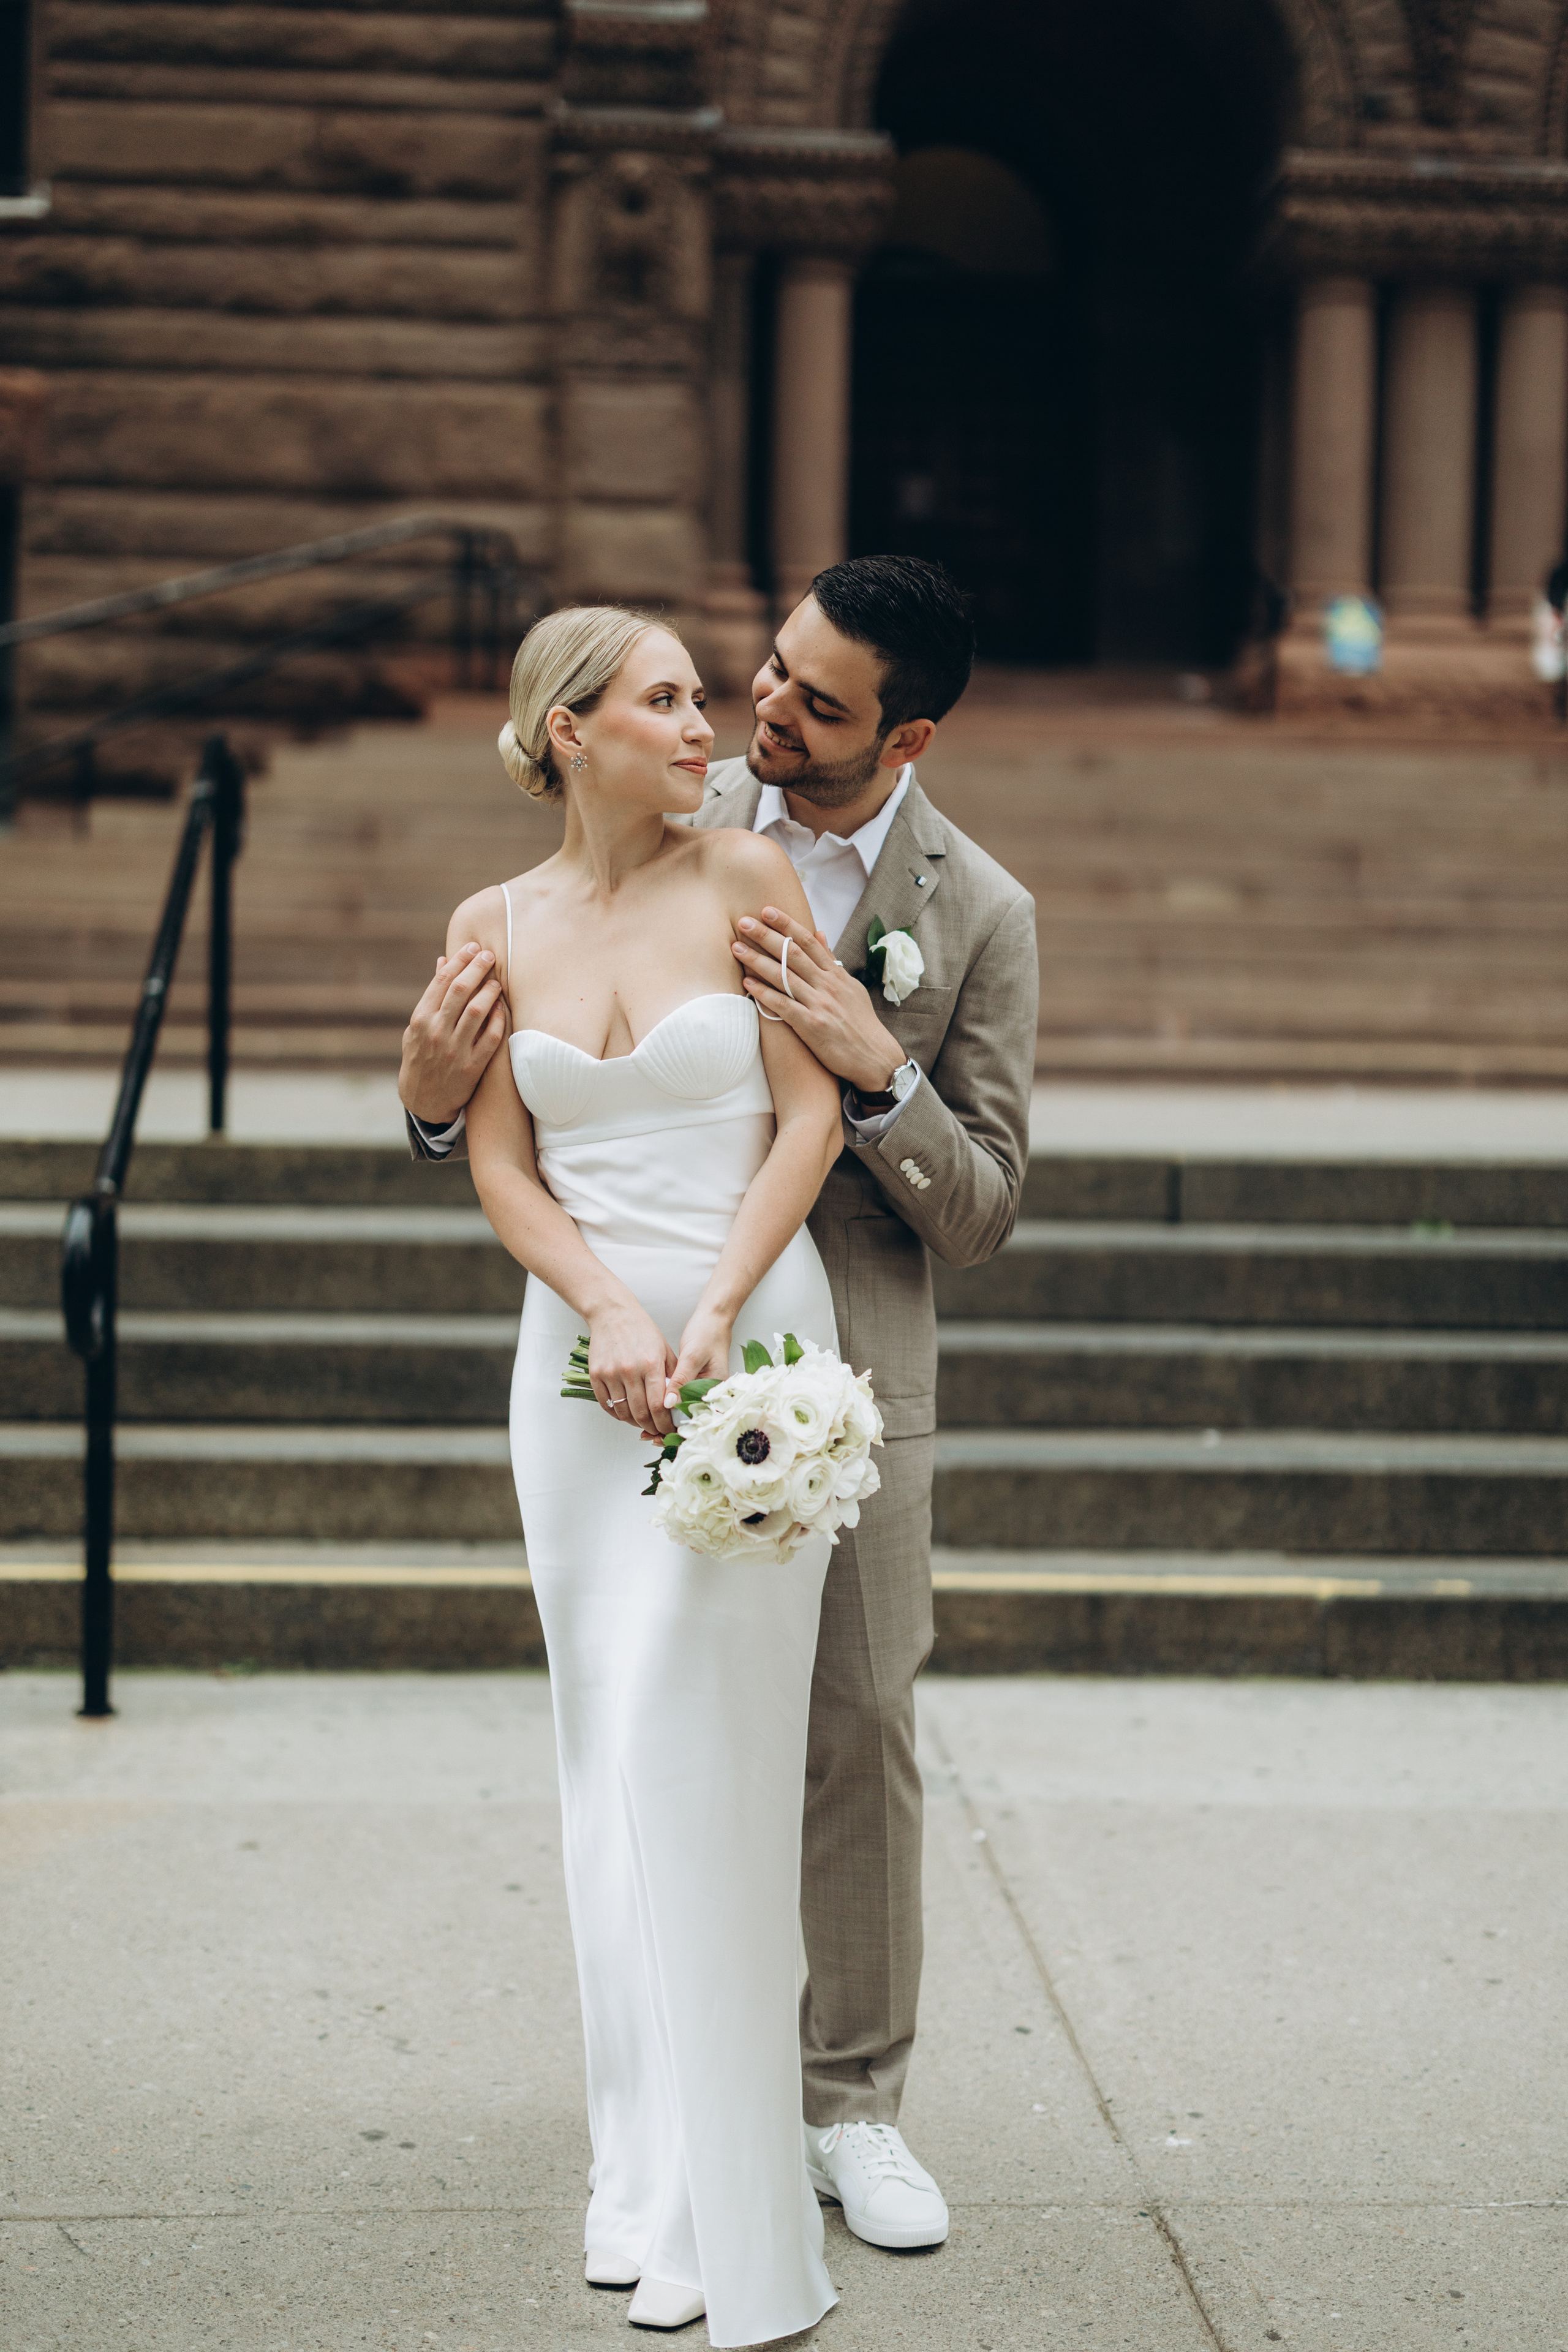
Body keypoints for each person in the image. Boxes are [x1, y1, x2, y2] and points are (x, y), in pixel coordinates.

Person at [403, 556, 1038, 2265]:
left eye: (812, 704)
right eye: (760, 672)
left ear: (903, 732)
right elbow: (493, 1107)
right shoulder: (684, 799)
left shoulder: (973, 908)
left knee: (859, 1729)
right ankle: (684, 2101)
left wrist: (873, 1061)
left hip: (836, 1359)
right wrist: (426, 1102)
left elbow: (979, 1205)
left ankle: (853, 2105)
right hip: (614, 1349)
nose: (759, 712)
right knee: (642, 1729)